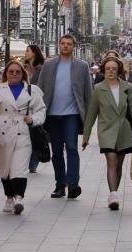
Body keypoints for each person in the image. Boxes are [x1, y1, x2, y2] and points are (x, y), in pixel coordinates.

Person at [0, 58, 47, 216]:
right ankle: (9, 197)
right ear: (6, 73)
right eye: (11, 72)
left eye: (17, 72)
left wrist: (34, 119)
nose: (14, 74)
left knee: (19, 168)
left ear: (22, 74)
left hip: (23, 131)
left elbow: (41, 110)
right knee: (5, 167)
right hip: (2, 131)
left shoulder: (32, 90)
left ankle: (19, 197)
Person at [82, 56, 132, 211]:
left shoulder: (127, 87)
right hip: (106, 130)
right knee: (111, 160)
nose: (110, 71)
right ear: (104, 70)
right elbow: (91, 114)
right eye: (108, 68)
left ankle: (114, 193)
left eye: (114, 69)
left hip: (124, 130)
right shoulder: (98, 89)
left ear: (119, 71)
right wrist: (86, 136)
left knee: (119, 164)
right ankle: (113, 194)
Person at [38, 34, 94, 199]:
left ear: (73, 47)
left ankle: (73, 184)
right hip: (52, 114)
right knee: (56, 152)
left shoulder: (82, 66)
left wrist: (89, 122)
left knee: (71, 148)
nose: (65, 46)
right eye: (62, 43)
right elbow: (40, 90)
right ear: (59, 45)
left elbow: (88, 95)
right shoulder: (48, 65)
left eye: (69, 44)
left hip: (72, 114)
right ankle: (60, 185)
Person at [25, 44, 47, 173]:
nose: (25, 53)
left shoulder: (42, 69)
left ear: (34, 52)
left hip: (37, 105)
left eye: (28, 51)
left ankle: (33, 163)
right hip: (23, 105)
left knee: (36, 134)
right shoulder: (23, 68)